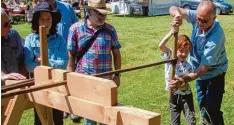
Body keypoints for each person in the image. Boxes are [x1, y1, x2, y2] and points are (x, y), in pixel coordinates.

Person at [169, 1, 228, 125]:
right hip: (198, 75)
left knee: (212, 110)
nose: (200, 23)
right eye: (198, 20)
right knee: (203, 107)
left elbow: (203, 69)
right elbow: (173, 8)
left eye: (204, 21)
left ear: (214, 17)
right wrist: (177, 15)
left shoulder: (215, 38)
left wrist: (182, 79)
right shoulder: (200, 16)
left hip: (214, 75)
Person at [67, 0, 122, 124]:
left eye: (104, 14)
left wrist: (117, 75)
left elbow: (117, 55)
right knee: (90, 116)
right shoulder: (75, 29)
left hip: (106, 81)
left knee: (107, 116)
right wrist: (70, 77)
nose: (102, 17)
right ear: (89, 11)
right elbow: (71, 55)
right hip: (85, 80)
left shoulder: (110, 30)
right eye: (99, 13)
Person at [24, 2, 68, 125]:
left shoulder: (59, 39)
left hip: (57, 84)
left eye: (48, 18)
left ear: (52, 20)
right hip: (38, 85)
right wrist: (47, 66)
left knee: (57, 118)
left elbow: (63, 63)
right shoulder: (30, 39)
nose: (45, 22)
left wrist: (44, 62)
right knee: (40, 118)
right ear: (37, 21)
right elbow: (28, 65)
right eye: (42, 19)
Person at [159, 26, 196, 125]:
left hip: (186, 96)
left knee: (191, 121)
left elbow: (185, 84)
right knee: (174, 123)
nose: (184, 54)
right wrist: (171, 32)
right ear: (176, 49)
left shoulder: (189, 66)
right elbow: (161, 45)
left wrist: (179, 83)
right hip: (173, 96)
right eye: (181, 51)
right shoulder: (170, 56)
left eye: (187, 51)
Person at [1, 8, 27, 84]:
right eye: (6, 24)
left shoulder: (13, 35)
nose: (10, 26)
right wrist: (3, 76)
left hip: (18, 85)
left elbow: (23, 56)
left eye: (9, 22)